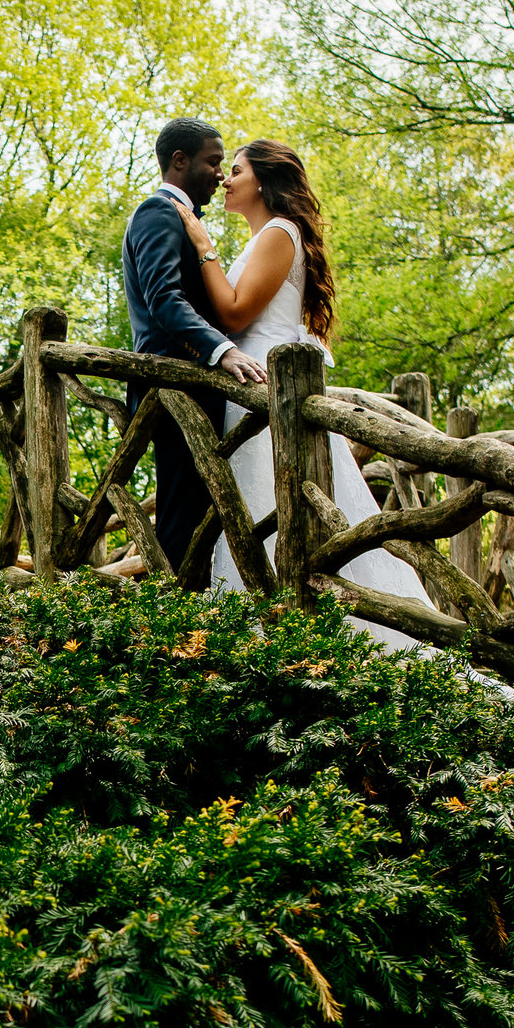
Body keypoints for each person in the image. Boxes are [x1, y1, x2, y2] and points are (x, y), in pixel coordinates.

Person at [174, 138, 434, 649]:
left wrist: (204, 247)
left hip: (269, 390)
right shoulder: (266, 237)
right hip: (249, 391)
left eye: (237, 170)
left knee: (277, 505)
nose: (226, 179)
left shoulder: (278, 232)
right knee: (252, 509)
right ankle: (268, 634)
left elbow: (233, 313)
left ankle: (302, 633)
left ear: (265, 182)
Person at [121, 118, 269, 576]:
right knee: (183, 514)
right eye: (213, 162)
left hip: (192, 388)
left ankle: (193, 625)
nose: (220, 174)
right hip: (173, 388)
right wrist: (222, 351)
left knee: (200, 508)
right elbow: (163, 300)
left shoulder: (182, 218)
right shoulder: (158, 212)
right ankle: (174, 628)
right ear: (179, 161)